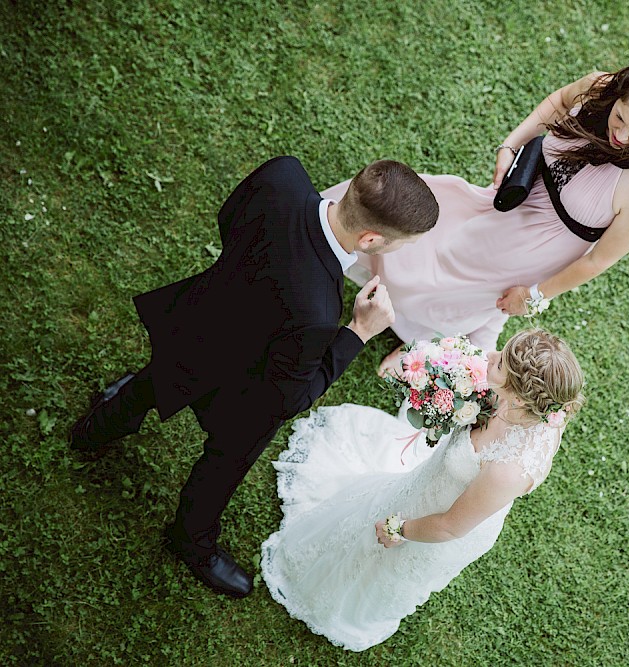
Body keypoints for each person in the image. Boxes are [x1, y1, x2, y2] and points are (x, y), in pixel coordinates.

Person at [68, 156, 439, 598]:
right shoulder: (319, 310)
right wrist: (359, 332)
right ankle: (192, 539)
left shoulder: (284, 175)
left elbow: (229, 220)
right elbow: (291, 398)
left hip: (199, 320)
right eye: (402, 244)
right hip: (245, 389)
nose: (400, 250)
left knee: (157, 375)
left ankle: (100, 425)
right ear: (372, 238)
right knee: (225, 461)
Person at [320, 50, 629, 370]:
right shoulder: (600, 87)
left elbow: (597, 262)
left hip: (538, 247)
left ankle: (426, 337)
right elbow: (560, 102)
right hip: (513, 196)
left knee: (457, 290)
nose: (622, 136)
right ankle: (335, 246)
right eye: (620, 118)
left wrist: (534, 295)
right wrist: (511, 145)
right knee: (435, 225)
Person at [260, 328, 584, 651]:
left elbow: (450, 525)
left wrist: (398, 528)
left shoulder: (509, 470)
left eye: (500, 364)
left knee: (384, 561)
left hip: (445, 520)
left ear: (518, 397)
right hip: (430, 482)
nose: (490, 356)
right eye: (502, 353)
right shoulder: (543, 404)